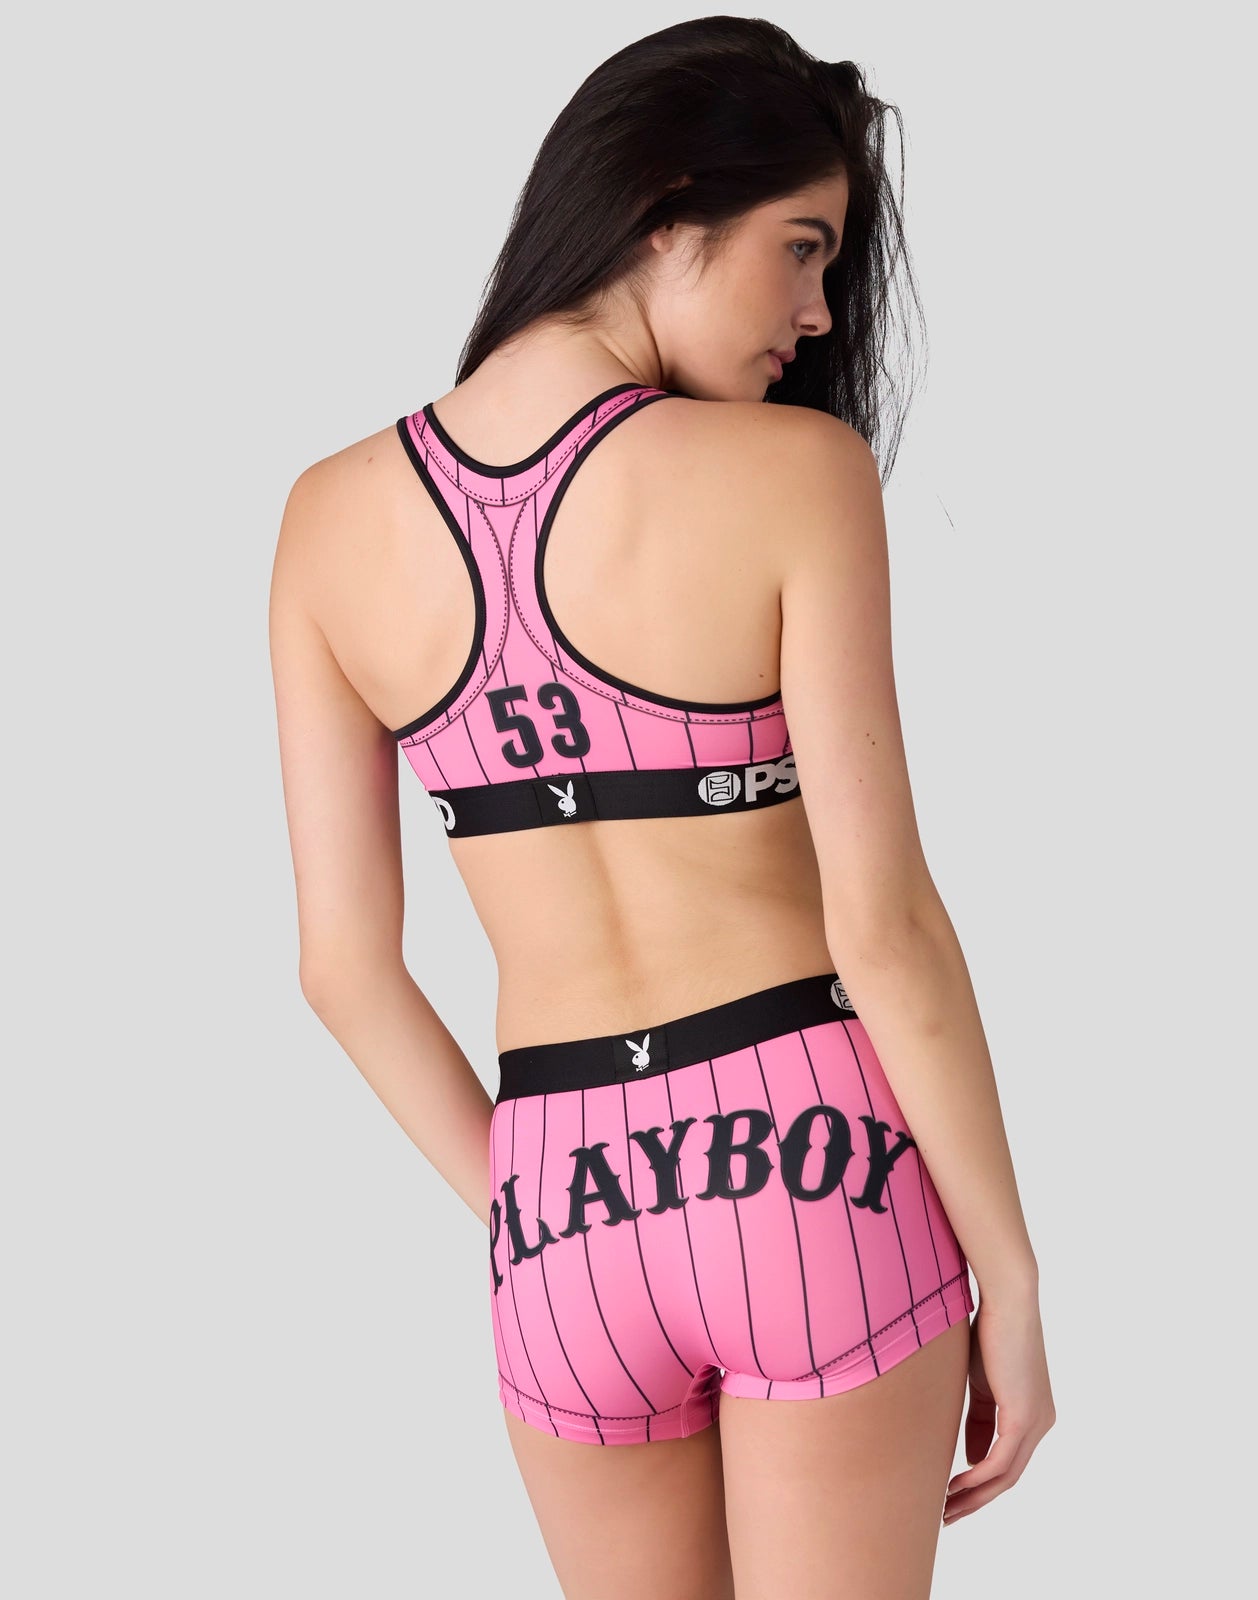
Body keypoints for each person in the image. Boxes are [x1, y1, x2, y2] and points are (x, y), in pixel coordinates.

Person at [269, 15, 1055, 1599]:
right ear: (666, 202)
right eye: (804, 247)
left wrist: (531, 1206)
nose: (819, 312)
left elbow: (342, 969)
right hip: (816, 1172)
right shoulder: (793, 474)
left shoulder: (324, 522)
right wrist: (1014, 1275)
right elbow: (886, 930)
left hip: (559, 1216)